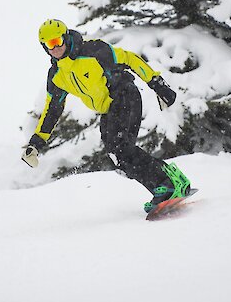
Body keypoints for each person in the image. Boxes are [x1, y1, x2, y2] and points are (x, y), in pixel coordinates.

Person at [22, 19, 191, 214]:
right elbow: (52, 110)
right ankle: (170, 181)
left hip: (125, 95)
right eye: (50, 44)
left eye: (58, 41)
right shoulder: (57, 75)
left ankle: (166, 186)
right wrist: (36, 142)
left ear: (66, 37)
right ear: (44, 47)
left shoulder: (93, 51)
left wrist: (156, 83)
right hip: (109, 109)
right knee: (118, 156)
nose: (56, 47)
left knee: (120, 149)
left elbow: (129, 59)